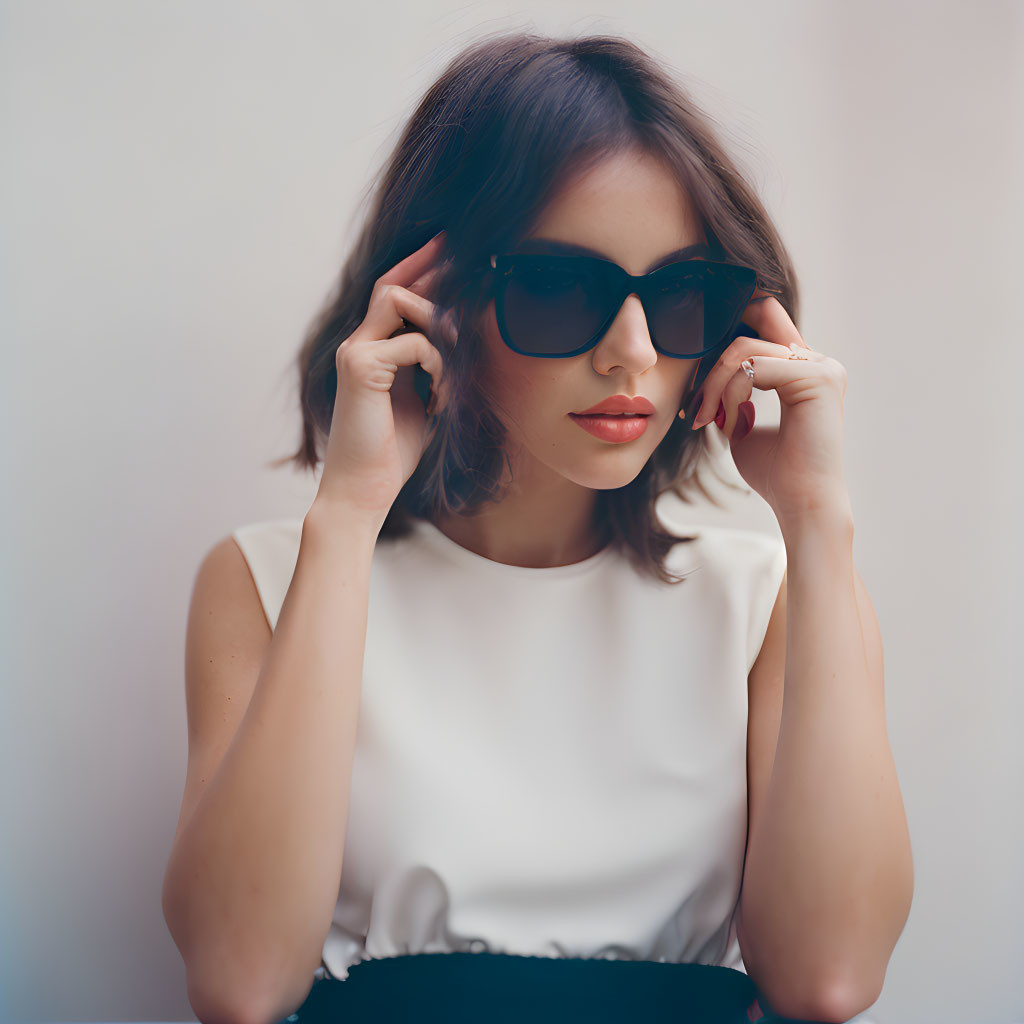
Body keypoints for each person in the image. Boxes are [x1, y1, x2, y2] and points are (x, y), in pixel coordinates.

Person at [163, 27, 902, 1024]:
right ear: (436, 303)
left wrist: (818, 522)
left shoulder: (766, 597)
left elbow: (829, 979)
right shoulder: (263, 579)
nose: (631, 352)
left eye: (678, 294)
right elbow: (240, 982)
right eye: (562, 288)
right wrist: (347, 514)